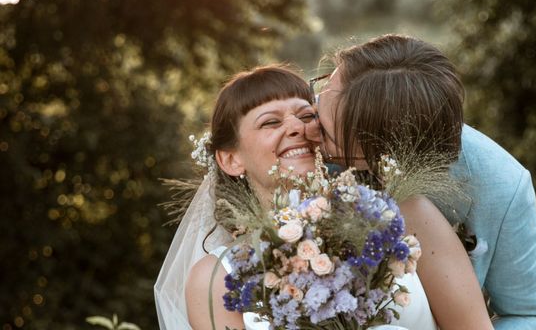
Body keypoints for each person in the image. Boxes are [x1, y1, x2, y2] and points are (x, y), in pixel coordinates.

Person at [155, 65, 493, 330]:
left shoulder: (406, 216)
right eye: (270, 122)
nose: (296, 127)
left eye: (306, 115)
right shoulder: (215, 278)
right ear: (230, 159)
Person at [312, 34, 536, 329]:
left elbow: (527, 314)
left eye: (327, 135)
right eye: (318, 97)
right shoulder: (295, 143)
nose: (307, 130)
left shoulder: (502, 185)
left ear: (385, 153)